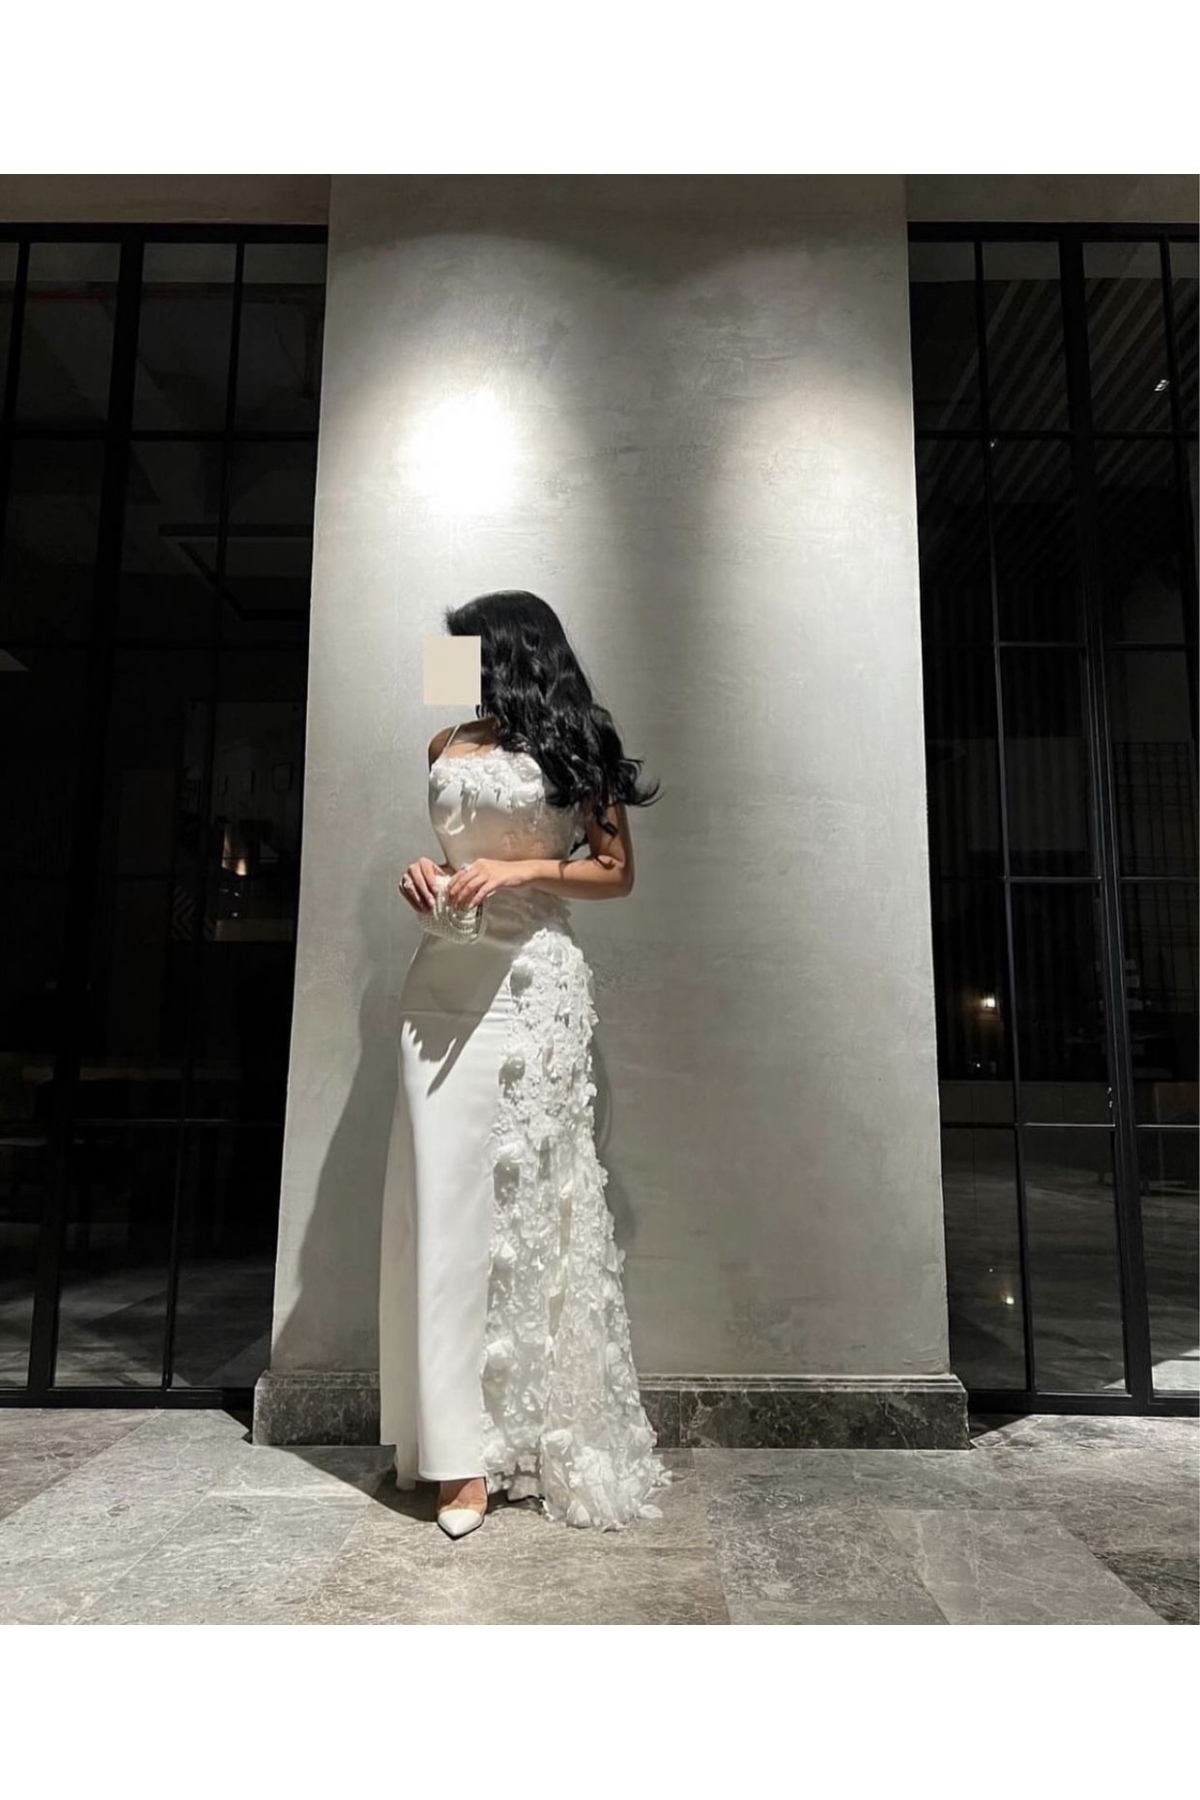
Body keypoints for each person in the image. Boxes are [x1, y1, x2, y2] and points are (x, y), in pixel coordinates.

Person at [379, 589, 673, 1538]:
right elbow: (452, 852)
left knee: (524, 1209)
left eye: (464, 649)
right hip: (441, 975)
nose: (450, 665)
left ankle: (522, 1438)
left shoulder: (577, 738)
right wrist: (426, 876)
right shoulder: (443, 742)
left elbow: (616, 873)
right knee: (440, 1208)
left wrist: (522, 871)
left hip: (532, 985)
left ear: (506, 651)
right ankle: (449, 1453)